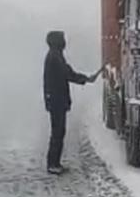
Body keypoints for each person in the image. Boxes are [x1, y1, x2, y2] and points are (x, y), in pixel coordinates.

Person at [43, 31, 101, 175]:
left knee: (58, 132)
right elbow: (68, 74)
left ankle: (54, 163)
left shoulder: (55, 55)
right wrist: (86, 79)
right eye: (62, 39)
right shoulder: (55, 57)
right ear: (57, 42)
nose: (65, 42)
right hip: (57, 100)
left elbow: (67, 72)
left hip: (56, 99)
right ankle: (53, 164)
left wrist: (85, 79)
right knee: (58, 132)